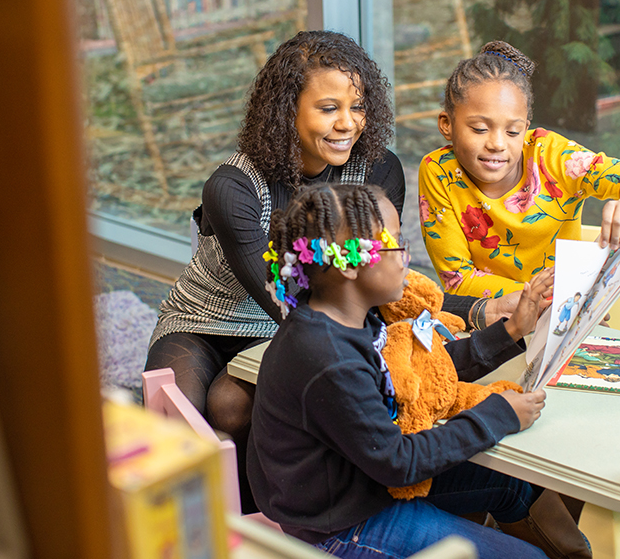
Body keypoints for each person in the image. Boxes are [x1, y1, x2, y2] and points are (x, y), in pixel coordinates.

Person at [144, 30, 507, 510]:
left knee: (232, 406)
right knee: (180, 426)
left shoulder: (378, 172)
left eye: (357, 108)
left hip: (306, 321)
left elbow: (381, 281)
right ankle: (216, 530)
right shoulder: (233, 187)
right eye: (328, 108)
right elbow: (289, 301)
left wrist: (482, 310)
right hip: (212, 320)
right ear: (286, 110)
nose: (348, 124)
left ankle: (277, 518)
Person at [248, 183, 592, 559]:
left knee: (515, 486)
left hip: (366, 484)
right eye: (394, 242)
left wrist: (511, 330)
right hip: (343, 524)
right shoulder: (329, 358)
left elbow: (424, 369)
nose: (405, 257)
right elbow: (399, 462)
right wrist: (499, 415)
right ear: (347, 264)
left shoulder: (351, 319)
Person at [419, 41, 620, 315]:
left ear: (526, 129)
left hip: (565, 320)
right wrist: (543, 298)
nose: (497, 143)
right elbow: (458, 280)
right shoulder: (439, 172)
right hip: (494, 323)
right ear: (446, 124)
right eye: (480, 129)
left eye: (513, 132)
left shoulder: (553, 157)